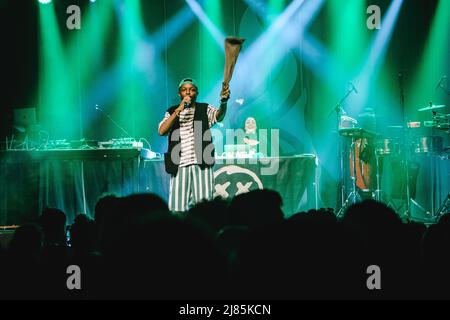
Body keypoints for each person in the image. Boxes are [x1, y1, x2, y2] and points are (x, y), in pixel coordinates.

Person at [158, 78, 230, 212]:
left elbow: (219, 116)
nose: (188, 93)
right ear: (179, 94)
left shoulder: (204, 108)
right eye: (184, 90)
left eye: (192, 90)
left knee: (204, 206)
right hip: (178, 164)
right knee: (177, 207)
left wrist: (224, 102)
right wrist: (179, 109)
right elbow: (162, 131)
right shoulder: (172, 111)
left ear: (197, 93)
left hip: (201, 163)